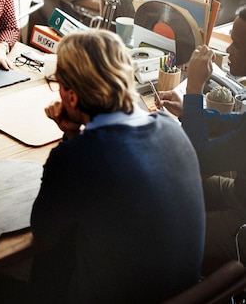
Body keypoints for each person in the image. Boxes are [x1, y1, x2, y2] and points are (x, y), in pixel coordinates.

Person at [30, 30, 205, 302]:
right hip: (190, 294)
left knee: (44, 266)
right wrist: (75, 134)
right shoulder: (171, 128)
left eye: (60, 85)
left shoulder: (74, 158)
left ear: (72, 97)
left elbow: (43, 230)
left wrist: (70, 139)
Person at [158, 8, 246, 268]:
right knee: (168, 190)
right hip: (240, 195)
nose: (228, 51)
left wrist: (194, 89)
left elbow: (200, 159)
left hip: (243, 222)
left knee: (165, 233)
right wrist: (191, 111)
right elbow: (236, 122)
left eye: (238, 46)